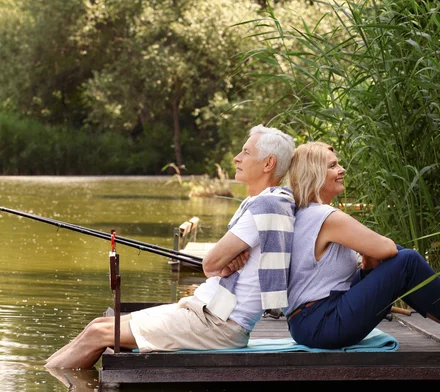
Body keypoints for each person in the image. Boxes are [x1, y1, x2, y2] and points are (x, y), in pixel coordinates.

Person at [45, 124, 296, 369]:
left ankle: (47, 378)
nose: (236, 157)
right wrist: (225, 264)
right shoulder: (268, 204)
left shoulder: (266, 207)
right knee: (96, 326)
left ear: (268, 163)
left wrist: (222, 265)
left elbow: (209, 265)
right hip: (207, 311)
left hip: (218, 324)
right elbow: (217, 265)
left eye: (246, 152)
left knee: (98, 333)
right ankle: (45, 373)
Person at [285, 142, 440, 349]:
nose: (342, 169)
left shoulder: (306, 212)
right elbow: (386, 249)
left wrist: (370, 264)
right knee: (404, 259)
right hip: (321, 323)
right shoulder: (327, 217)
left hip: (310, 321)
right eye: (333, 166)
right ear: (314, 173)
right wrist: (374, 255)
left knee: (398, 256)